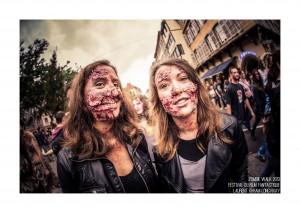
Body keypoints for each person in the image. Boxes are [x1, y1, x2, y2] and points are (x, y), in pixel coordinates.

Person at [57, 59, 157, 193]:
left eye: (116, 84)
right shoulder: (68, 160)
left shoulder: (136, 138)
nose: (114, 92)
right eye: (99, 84)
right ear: (81, 100)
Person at [149, 58, 248, 193]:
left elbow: (241, 173)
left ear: (196, 85)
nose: (176, 90)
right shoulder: (160, 149)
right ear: (158, 99)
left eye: (183, 78)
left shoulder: (229, 126)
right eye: (164, 85)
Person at [260, 49, 280, 178]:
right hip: (276, 142)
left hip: (274, 140)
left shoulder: (274, 85)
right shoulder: (276, 88)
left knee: (268, 171)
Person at [131, 95, 155, 162]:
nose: (136, 107)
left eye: (138, 103)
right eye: (134, 105)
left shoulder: (154, 118)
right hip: (148, 159)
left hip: (162, 155)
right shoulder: (135, 123)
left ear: (144, 103)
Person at [250, 69, 266, 140]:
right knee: (257, 121)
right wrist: (260, 110)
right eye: (255, 74)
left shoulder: (261, 83)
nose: (257, 75)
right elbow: (257, 100)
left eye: (258, 74)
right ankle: (252, 133)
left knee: (267, 120)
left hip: (264, 105)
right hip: (258, 107)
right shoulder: (254, 86)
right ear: (253, 76)